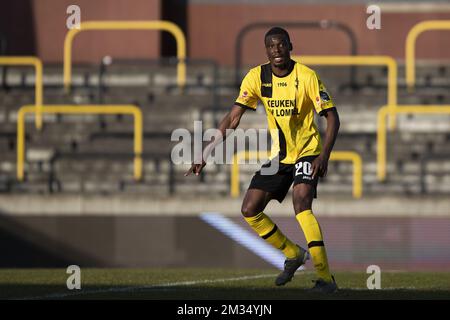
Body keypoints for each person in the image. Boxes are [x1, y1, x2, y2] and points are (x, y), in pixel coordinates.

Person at [185, 27, 340, 293]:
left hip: (308, 151)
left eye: (281, 45)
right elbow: (233, 118)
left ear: (290, 46)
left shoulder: (306, 76)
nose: (276, 50)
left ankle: (325, 278)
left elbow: (332, 117)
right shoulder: (256, 77)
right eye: (270, 46)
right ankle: (293, 254)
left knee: (301, 202)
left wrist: (324, 155)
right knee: (249, 209)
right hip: (280, 157)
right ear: (266, 50)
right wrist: (206, 151)